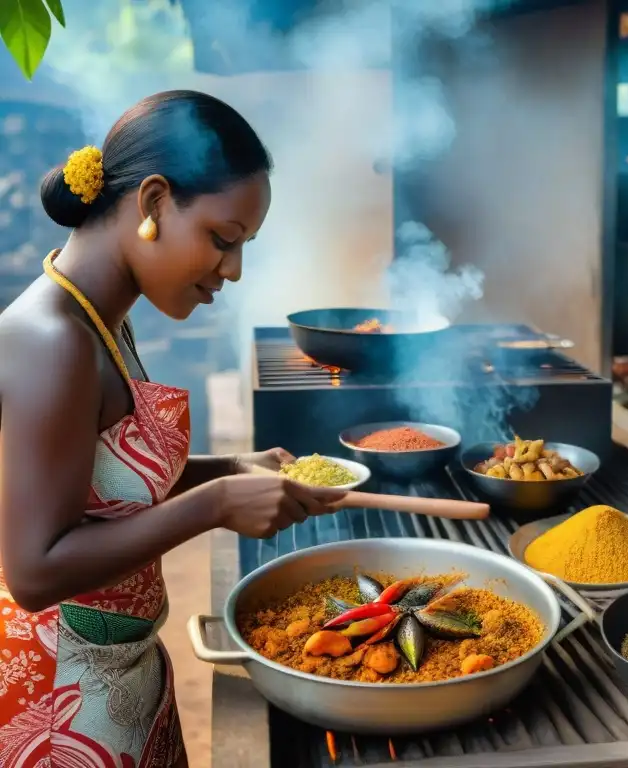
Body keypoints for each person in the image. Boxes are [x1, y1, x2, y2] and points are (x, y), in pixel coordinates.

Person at [0, 91, 347, 767]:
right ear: (154, 201)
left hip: (119, 677)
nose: (233, 270)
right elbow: (33, 571)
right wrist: (214, 506)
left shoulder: (101, 318)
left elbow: (98, 485)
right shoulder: (53, 341)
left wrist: (232, 470)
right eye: (223, 239)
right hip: (60, 709)